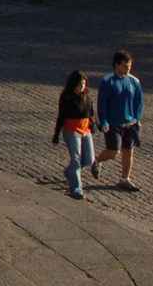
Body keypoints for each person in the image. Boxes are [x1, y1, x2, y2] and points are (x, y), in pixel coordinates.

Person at [92, 49, 143, 191]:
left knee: (128, 150)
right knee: (113, 152)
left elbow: (139, 102)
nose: (128, 69)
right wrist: (104, 121)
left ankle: (125, 179)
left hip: (130, 123)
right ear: (117, 65)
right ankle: (96, 160)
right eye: (126, 66)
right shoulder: (107, 81)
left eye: (130, 66)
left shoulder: (134, 81)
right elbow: (102, 103)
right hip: (113, 124)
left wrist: (137, 119)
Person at [52, 70, 98, 199]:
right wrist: (56, 134)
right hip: (71, 130)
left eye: (83, 84)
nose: (81, 87)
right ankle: (76, 189)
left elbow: (90, 113)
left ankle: (69, 172)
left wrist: (92, 125)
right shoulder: (66, 98)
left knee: (88, 159)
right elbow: (61, 116)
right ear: (73, 85)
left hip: (85, 129)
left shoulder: (87, 97)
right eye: (79, 85)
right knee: (76, 160)